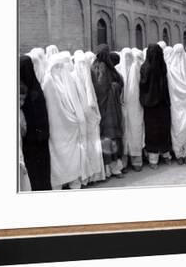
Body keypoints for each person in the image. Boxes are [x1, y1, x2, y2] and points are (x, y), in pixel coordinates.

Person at [43, 52, 87, 189]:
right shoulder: (48, 81)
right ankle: (59, 183)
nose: (59, 69)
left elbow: (74, 102)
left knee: (71, 156)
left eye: (60, 66)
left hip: (70, 127)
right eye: (56, 66)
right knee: (58, 156)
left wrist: (74, 120)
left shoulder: (67, 78)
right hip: (55, 128)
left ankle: (74, 181)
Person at [91, 44, 125, 178]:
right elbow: (101, 87)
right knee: (111, 137)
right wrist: (115, 86)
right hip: (108, 107)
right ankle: (114, 169)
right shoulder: (103, 67)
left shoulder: (94, 66)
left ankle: (111, 169)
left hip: (105, 107)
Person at [72, 50, 106, 183]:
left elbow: (92, 98)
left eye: (83, 64)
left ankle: (95, 175)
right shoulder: (72, 77)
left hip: (89, 118)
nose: (82, 67)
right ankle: (87, 177)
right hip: (83, 117)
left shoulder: (85, 76)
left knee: (92, 146)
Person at [19, 55, 51, 191]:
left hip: (31, 141)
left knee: (35, 173)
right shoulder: (36, 88)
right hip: (40, 139)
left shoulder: (27, 92)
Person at [139, 44, 172, 169]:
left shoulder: (145, 67)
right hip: (162, 103)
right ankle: (166, 155)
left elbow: (142, 85)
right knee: (163, 129)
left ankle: (153, 160)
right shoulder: (162, 66)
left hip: (150, 105)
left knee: (152, 131)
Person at [123, 49, 146, 170]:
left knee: (136, 132)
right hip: (124, 108)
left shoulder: (135, 68)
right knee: (125, 135)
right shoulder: (118, 70)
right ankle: (125, 162)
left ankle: (137, 161)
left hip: (136, 106)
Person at [18, 82, 32, 191]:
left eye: (23, 100)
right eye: (19, 99)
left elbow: (24, 132)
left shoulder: (21, 113)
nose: (21, 103)